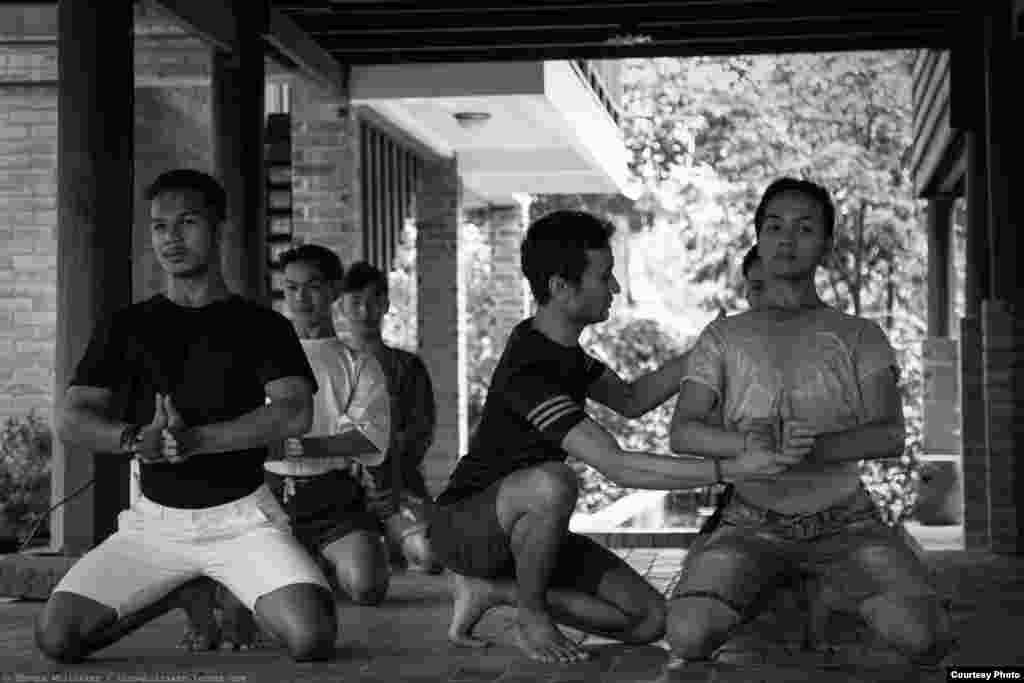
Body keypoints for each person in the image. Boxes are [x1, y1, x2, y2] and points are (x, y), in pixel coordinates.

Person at [426, 209, 801, 664]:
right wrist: (729, 469)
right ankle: (532, 614)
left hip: (525, 535)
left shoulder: (565, 354)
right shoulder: (530, 367)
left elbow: (631, 399)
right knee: (553, 482)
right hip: (466, 529)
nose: (616, 288)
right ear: (561, 288)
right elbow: (617, 466)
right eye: (604, 277)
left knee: (651, 620)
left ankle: (496, 591)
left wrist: (703, 350)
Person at [34, 169, 336, 663]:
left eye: (187, 222)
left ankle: (233, 586)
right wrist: (135, 438)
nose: (171, 238)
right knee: (57, 638)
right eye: (159, 226)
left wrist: (196, 440)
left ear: (218, 229)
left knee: (312, 639)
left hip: (244, 520)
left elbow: (294, 412)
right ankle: (177, 589)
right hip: (154, 525)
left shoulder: (262, 325)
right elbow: (71, 417)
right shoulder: (126, 327)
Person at [665, 178, 954, 666]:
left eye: (804, 228)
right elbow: (684, 431)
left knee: (923, 637)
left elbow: (890, 434)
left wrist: (808, 448)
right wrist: (749, 444)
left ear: (826, 244)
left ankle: (813, 590)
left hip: (846, 522)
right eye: (774, 227)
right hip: (749, 523)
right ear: (758, 238)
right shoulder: (722, 337)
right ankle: (794, 593)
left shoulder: (860, 335)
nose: (787, 239)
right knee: (689, 635)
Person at [339, 261, 442, 574]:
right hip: (338, 493)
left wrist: (388, 473)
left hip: (399, 488)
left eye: (373, 301)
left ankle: (394, 540)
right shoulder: (330, 366)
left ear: (385, 304)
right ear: (341, 306)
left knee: (430, 555)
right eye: (355, 301)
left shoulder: (407, 366)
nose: (364, 311)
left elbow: (421, 431)